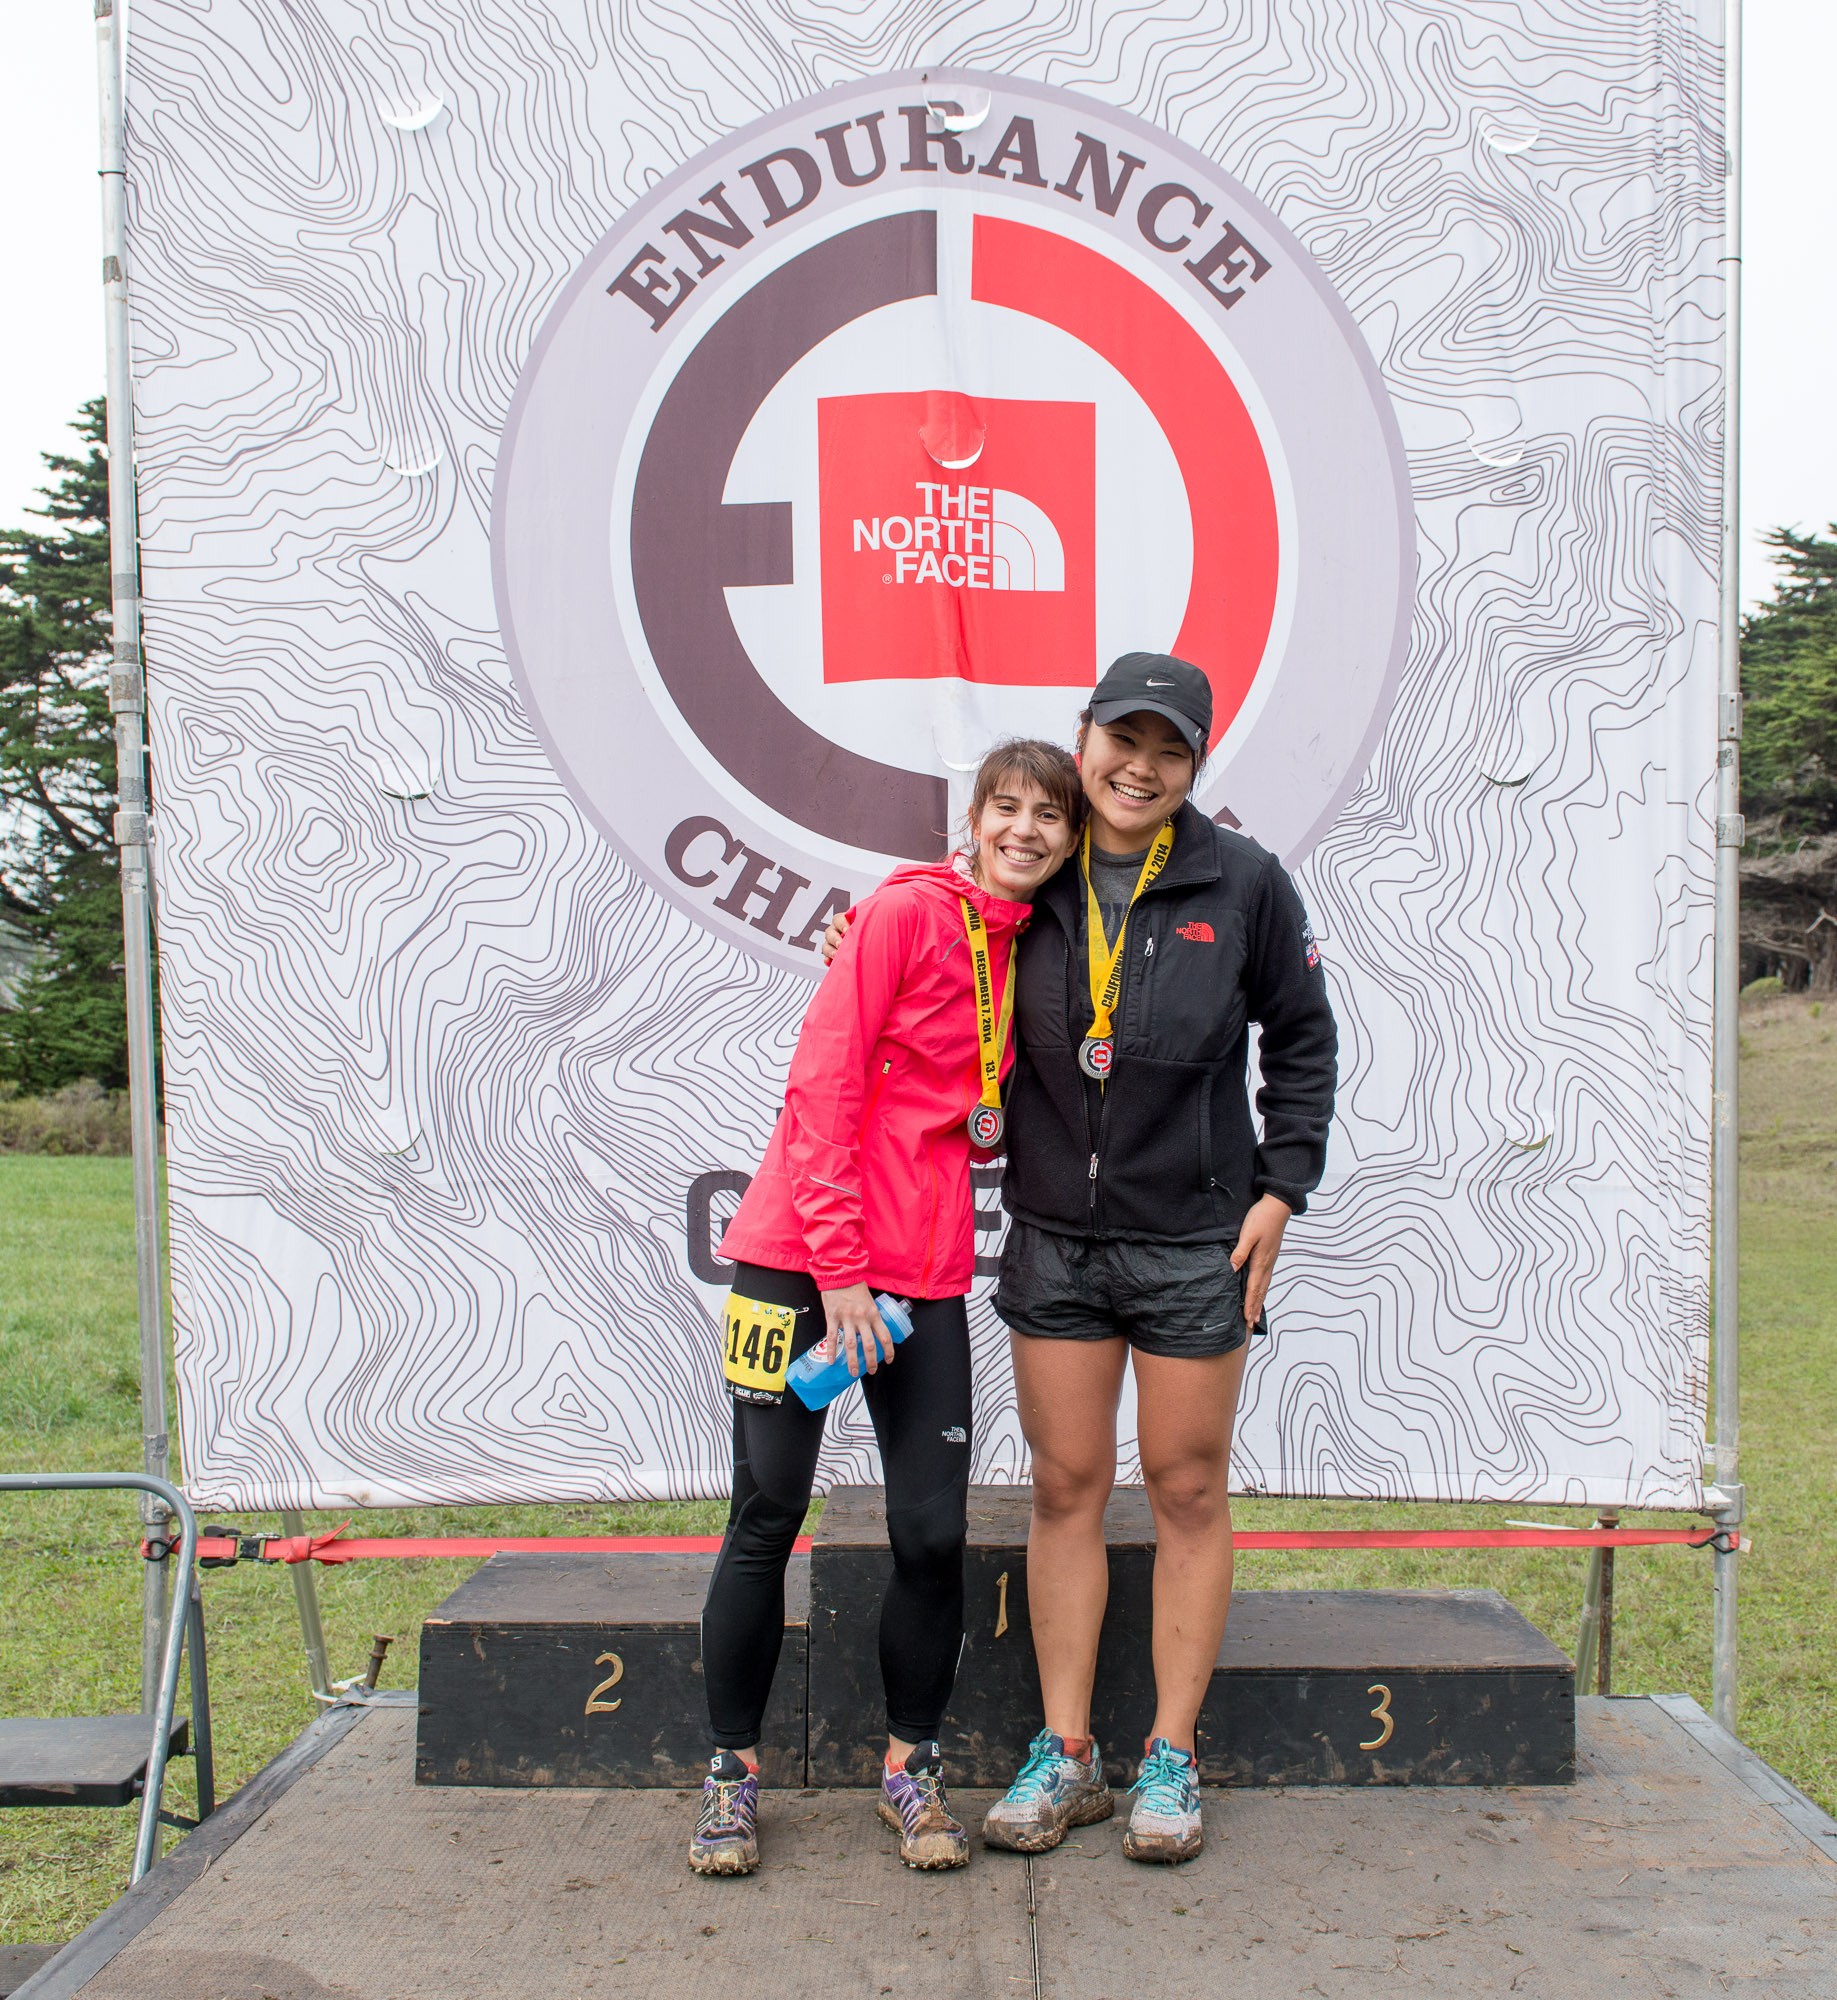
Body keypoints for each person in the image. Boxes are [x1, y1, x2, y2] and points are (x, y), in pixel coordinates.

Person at [824, 653, 1337, 1866]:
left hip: (1193, 1241)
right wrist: (862, 932)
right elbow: (924, 947)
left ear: (1196, 764)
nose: (1139, 768)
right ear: (1085, 735)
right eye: (1122, 739)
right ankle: (1066, 1751)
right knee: (1063, 1486)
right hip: (1055, 1236)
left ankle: (1170, 1753)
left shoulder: (1243, 881)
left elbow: (1303, 1039)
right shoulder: (1031, 874)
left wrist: (1281, 1188)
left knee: (1186, 1487)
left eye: (1170, 750)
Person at [689, 739, 1084, 1879]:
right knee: (766, 1514)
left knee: (931, 1532)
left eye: (1047, 816)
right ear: (973, 820)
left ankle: (910, 1768)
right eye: (1006, 808)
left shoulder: (1038, 945)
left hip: (922, 1273)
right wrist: (838, 1272)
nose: (1024, 830)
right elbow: (822, 1087)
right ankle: (731, 1774)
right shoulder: (907, 914)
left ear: (1070, 838)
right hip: (799, 1263)